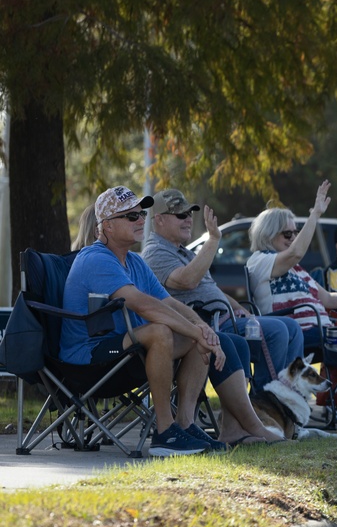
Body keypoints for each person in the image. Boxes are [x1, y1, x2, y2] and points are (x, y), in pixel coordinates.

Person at [60, 186, 281, 455]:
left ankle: (184, 425)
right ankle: (165, 433)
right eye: (131, 216)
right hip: (88, 358)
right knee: (160, 331)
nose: (141, 220)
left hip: (121, 350)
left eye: (141, 213)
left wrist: (201, 330)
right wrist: (197, 331)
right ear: (106, 226)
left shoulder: (135, 262)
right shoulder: (96, 258)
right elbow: (145, 305)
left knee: (196, 334)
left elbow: (170, 303)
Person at [246, 181, 337, 427]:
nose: (294, 238)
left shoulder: (297, 269)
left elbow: (328, 299)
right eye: (288, 234)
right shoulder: (260, 261)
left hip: (321, 329)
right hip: (294, 332)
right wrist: (315, 214)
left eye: (295, 232)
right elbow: (295, 254)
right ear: (268, 234)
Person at [142, 189, 305, 395]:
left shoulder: (184, 252)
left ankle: (290, 402)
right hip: (205, 326)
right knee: (276, 331)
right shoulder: (155, 252)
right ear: (160, 219)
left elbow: (211, 289)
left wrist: (239, 308)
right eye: (181, 215)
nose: (188, 220)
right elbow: (187, 281)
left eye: (190, 214)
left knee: (292, 327)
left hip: (226, 319)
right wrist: (213, 240)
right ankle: (265, 406)